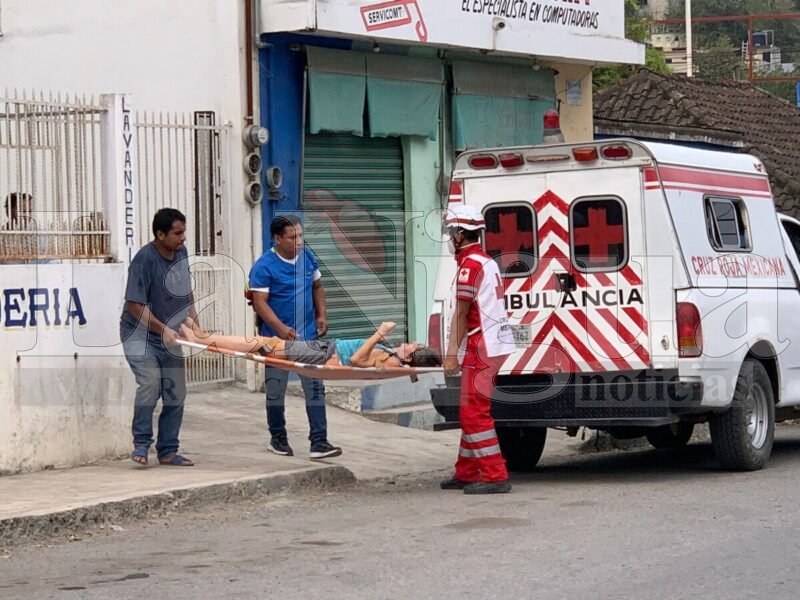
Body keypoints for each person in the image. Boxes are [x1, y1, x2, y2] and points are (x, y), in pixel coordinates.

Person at [249, 215, 340, 460]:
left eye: (301, 235)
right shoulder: (264, 266)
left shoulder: (308, 257)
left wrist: (322, 314)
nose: (299, 241)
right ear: (277, 239)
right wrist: (279, 328)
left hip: (308, 337)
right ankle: (278, 438)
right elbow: (260, 302)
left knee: (315, 387)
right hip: (276, 342)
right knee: (276, 390)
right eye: (293, 237)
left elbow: (318, 287)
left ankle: (319, 442)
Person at [440, 204, 517, 495]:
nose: (449, 238)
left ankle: (495, 475)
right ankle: (467, 471)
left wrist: (450, 355)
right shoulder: (485, 261)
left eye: (450, 232)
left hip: (482, 344)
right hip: (491, 343)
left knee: (475, 413)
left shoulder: (470, 265)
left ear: (460, 234)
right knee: (469, 409)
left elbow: (461, 314)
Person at [120, 208, 199, 467]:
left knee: (176, 392)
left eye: (184, 232)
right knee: (151, 383)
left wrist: (195, 322)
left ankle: (168, 450)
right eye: (178, 233)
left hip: (172, 335)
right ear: (160, 234)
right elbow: (135, 305)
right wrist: (162, 329)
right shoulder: (143, 261)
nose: (183, 238)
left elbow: (186, 291)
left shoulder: (182, 254)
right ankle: (141, 444)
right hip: (140, 334)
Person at [179, 319, 441, 369]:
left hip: (325, 354)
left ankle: (201, 338)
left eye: (413, 347)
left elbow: (357, 361)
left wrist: (378, 334)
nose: (409, 343)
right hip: (324, 350)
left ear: (409, 358)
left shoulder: (391, 360)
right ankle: (203, 337)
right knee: (263, 343)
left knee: (264, 343)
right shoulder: (397, 360)